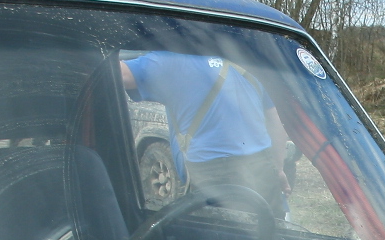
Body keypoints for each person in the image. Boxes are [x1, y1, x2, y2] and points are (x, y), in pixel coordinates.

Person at [120, 51, 289, 210]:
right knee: (269, 227)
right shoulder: (249, 61)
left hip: (213, 173)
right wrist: (278, 168)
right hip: (263, 167)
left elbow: (120, 74)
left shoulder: (172, 60)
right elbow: (276, 118)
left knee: (220, 230)